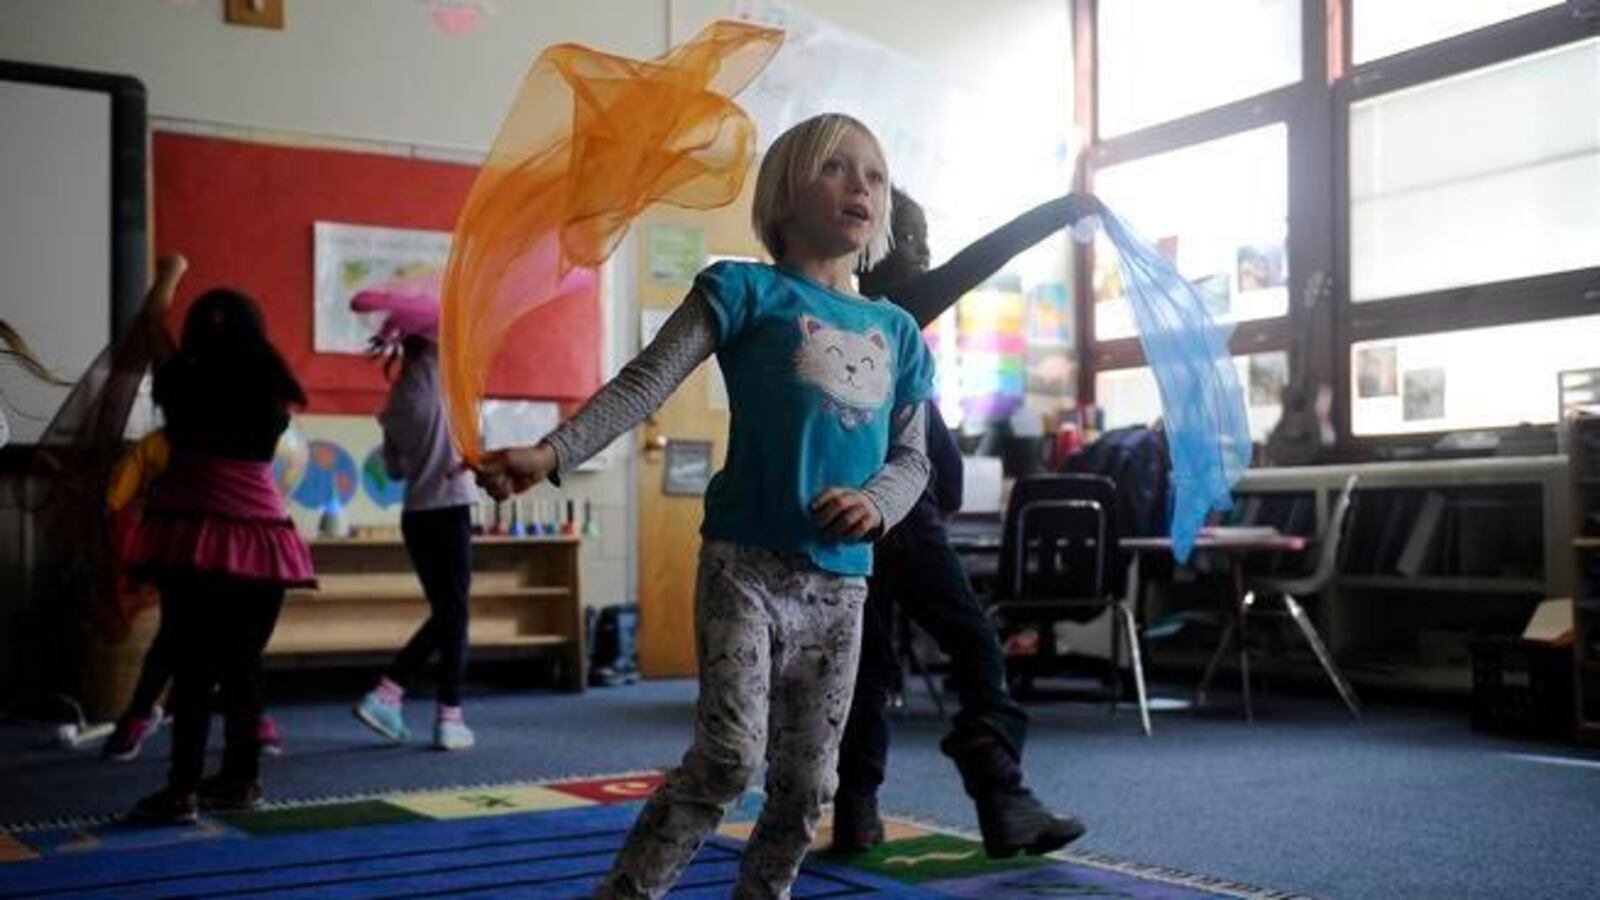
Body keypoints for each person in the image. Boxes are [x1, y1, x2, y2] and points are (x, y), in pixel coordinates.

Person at [476, 113, 935, 899]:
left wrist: (875, 503)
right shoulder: (742, 289)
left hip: (840, 589)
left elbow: (912, 457)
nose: (860, 185)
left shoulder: (898, 331)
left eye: (876, 174)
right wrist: (552, 453)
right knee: (727, 757)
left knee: (806, 787)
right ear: (784, 195)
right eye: (836, 167)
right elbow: (644, 383)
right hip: (744, 567)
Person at [831, 188, 1101, 858]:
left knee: (870, 667)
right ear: (878, 249)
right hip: (902, 517)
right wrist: (1059, 208)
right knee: (976, 644)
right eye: (917, 241)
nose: (925, 256)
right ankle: (998, 786)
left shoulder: (840, 323)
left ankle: (856, 812)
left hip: (850, 520)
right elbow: (985, 257)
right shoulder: (892, 312)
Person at [123, 287, 314, 824]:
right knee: (243, 670)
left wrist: (166, 285)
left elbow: (155, 338)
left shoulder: (180, 383)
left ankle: (182, 788)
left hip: (199, 542)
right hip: (262, 543)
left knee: (191, 669)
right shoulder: (270, 392)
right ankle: (242, 780)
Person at [101, 427, 287, 761]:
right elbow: (116, 500)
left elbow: (114, 499)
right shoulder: (177, 443)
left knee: (187, 644)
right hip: (230, 544)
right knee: (217, 647)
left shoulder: (170, 442)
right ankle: (245, 728)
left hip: (205, 544)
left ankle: (143, 725)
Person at [353, 311, 479, 751]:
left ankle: (390, 694)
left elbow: (392, 468)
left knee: (447, 612)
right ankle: (446, 714)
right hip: (450, 508)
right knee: (455, 614)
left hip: (416, 514)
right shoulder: (449, 387)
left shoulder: (399, 398)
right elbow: (477, 443)